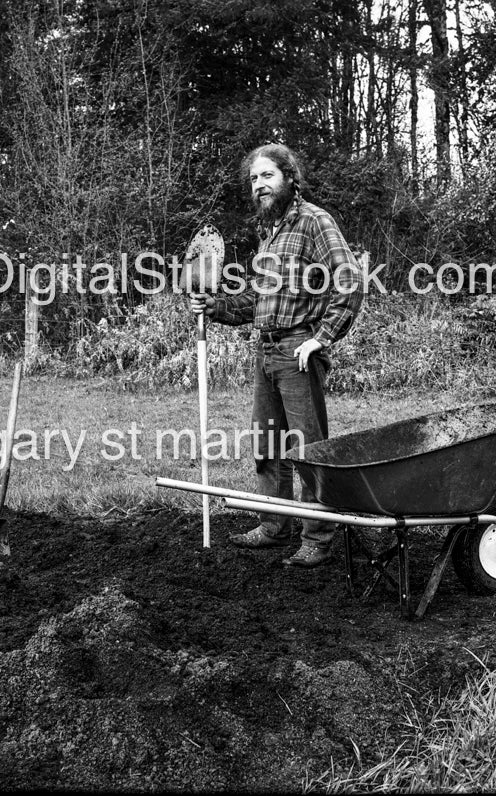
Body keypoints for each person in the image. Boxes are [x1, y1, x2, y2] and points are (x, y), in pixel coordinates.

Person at [190, 143, 364, 568]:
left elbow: (350, 281)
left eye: (267, 176)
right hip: (265, 352)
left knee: (308, 450)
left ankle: (318, 538)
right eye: (253, 179)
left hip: (297, 352)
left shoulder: (314, 222)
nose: (259, 185)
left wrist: (321, 338)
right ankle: (273, 525)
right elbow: (257, 300)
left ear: (289, 177)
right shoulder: (269, 233)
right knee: (267, 446)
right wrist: (216, 309)